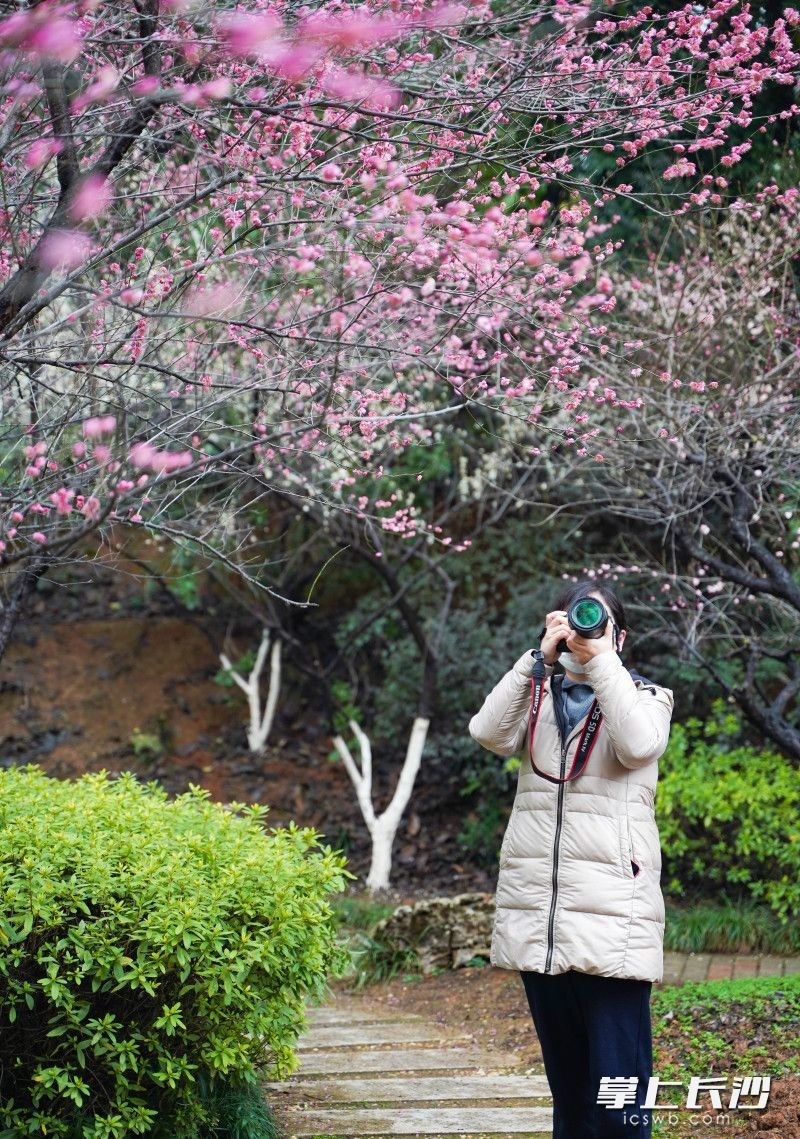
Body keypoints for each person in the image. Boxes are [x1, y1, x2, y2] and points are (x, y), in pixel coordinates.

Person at [468, 580, 674, 1139]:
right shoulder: (538, 694)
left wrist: (602, 660)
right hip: (543, 922)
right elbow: (486, 732)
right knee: (571, 1096)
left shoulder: (648, 697)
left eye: (598, 621)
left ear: (621, 636)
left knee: (619, 1099)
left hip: (613, 922)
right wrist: (537, 658)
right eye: (576, 619)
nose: (586, 630)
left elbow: (638, 745)